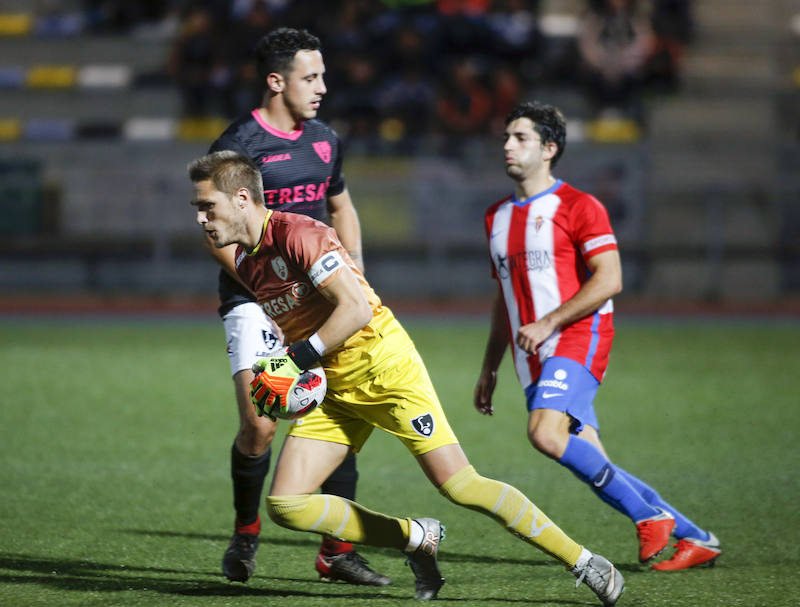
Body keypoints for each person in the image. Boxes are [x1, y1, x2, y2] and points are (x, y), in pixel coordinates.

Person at [187, 150, 626, 605]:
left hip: (387, 370)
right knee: (287, 505)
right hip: (334, 388)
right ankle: (415, 537)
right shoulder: (247, 258)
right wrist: (278, 372)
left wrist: (297, 357)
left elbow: (355, 309)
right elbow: (297, 322)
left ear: (242, 198)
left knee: (460, 486)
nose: (201, 218)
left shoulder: (299, 233)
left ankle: (583, 560)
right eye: (198, 208)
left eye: (207, 206)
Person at [474, 101, 721, 571]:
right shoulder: (496, 217)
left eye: (520, 138)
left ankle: (650, 519)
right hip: (532, 356)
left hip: (577, 335)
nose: (507, 146)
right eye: (506, 137)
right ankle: (697, 538)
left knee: (545, 435)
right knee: (592, 461)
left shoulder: (579, 206)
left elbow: (609, 279)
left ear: (549, 148)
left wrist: (549, 323)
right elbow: (502, 297)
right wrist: (489, 367)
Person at [205, 27, 388, 585]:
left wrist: (352, 268)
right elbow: (217, 235)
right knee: (259, 427)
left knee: (339, 417)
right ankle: (245, 533)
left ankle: (336, 553)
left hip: (314, 305)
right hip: (255, 303)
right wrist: (265, 287)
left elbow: (341, 204)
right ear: (276, 81)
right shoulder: (237, 145)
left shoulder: (326, 140)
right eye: (312, 77)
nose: (323, 87)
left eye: (324, 76)